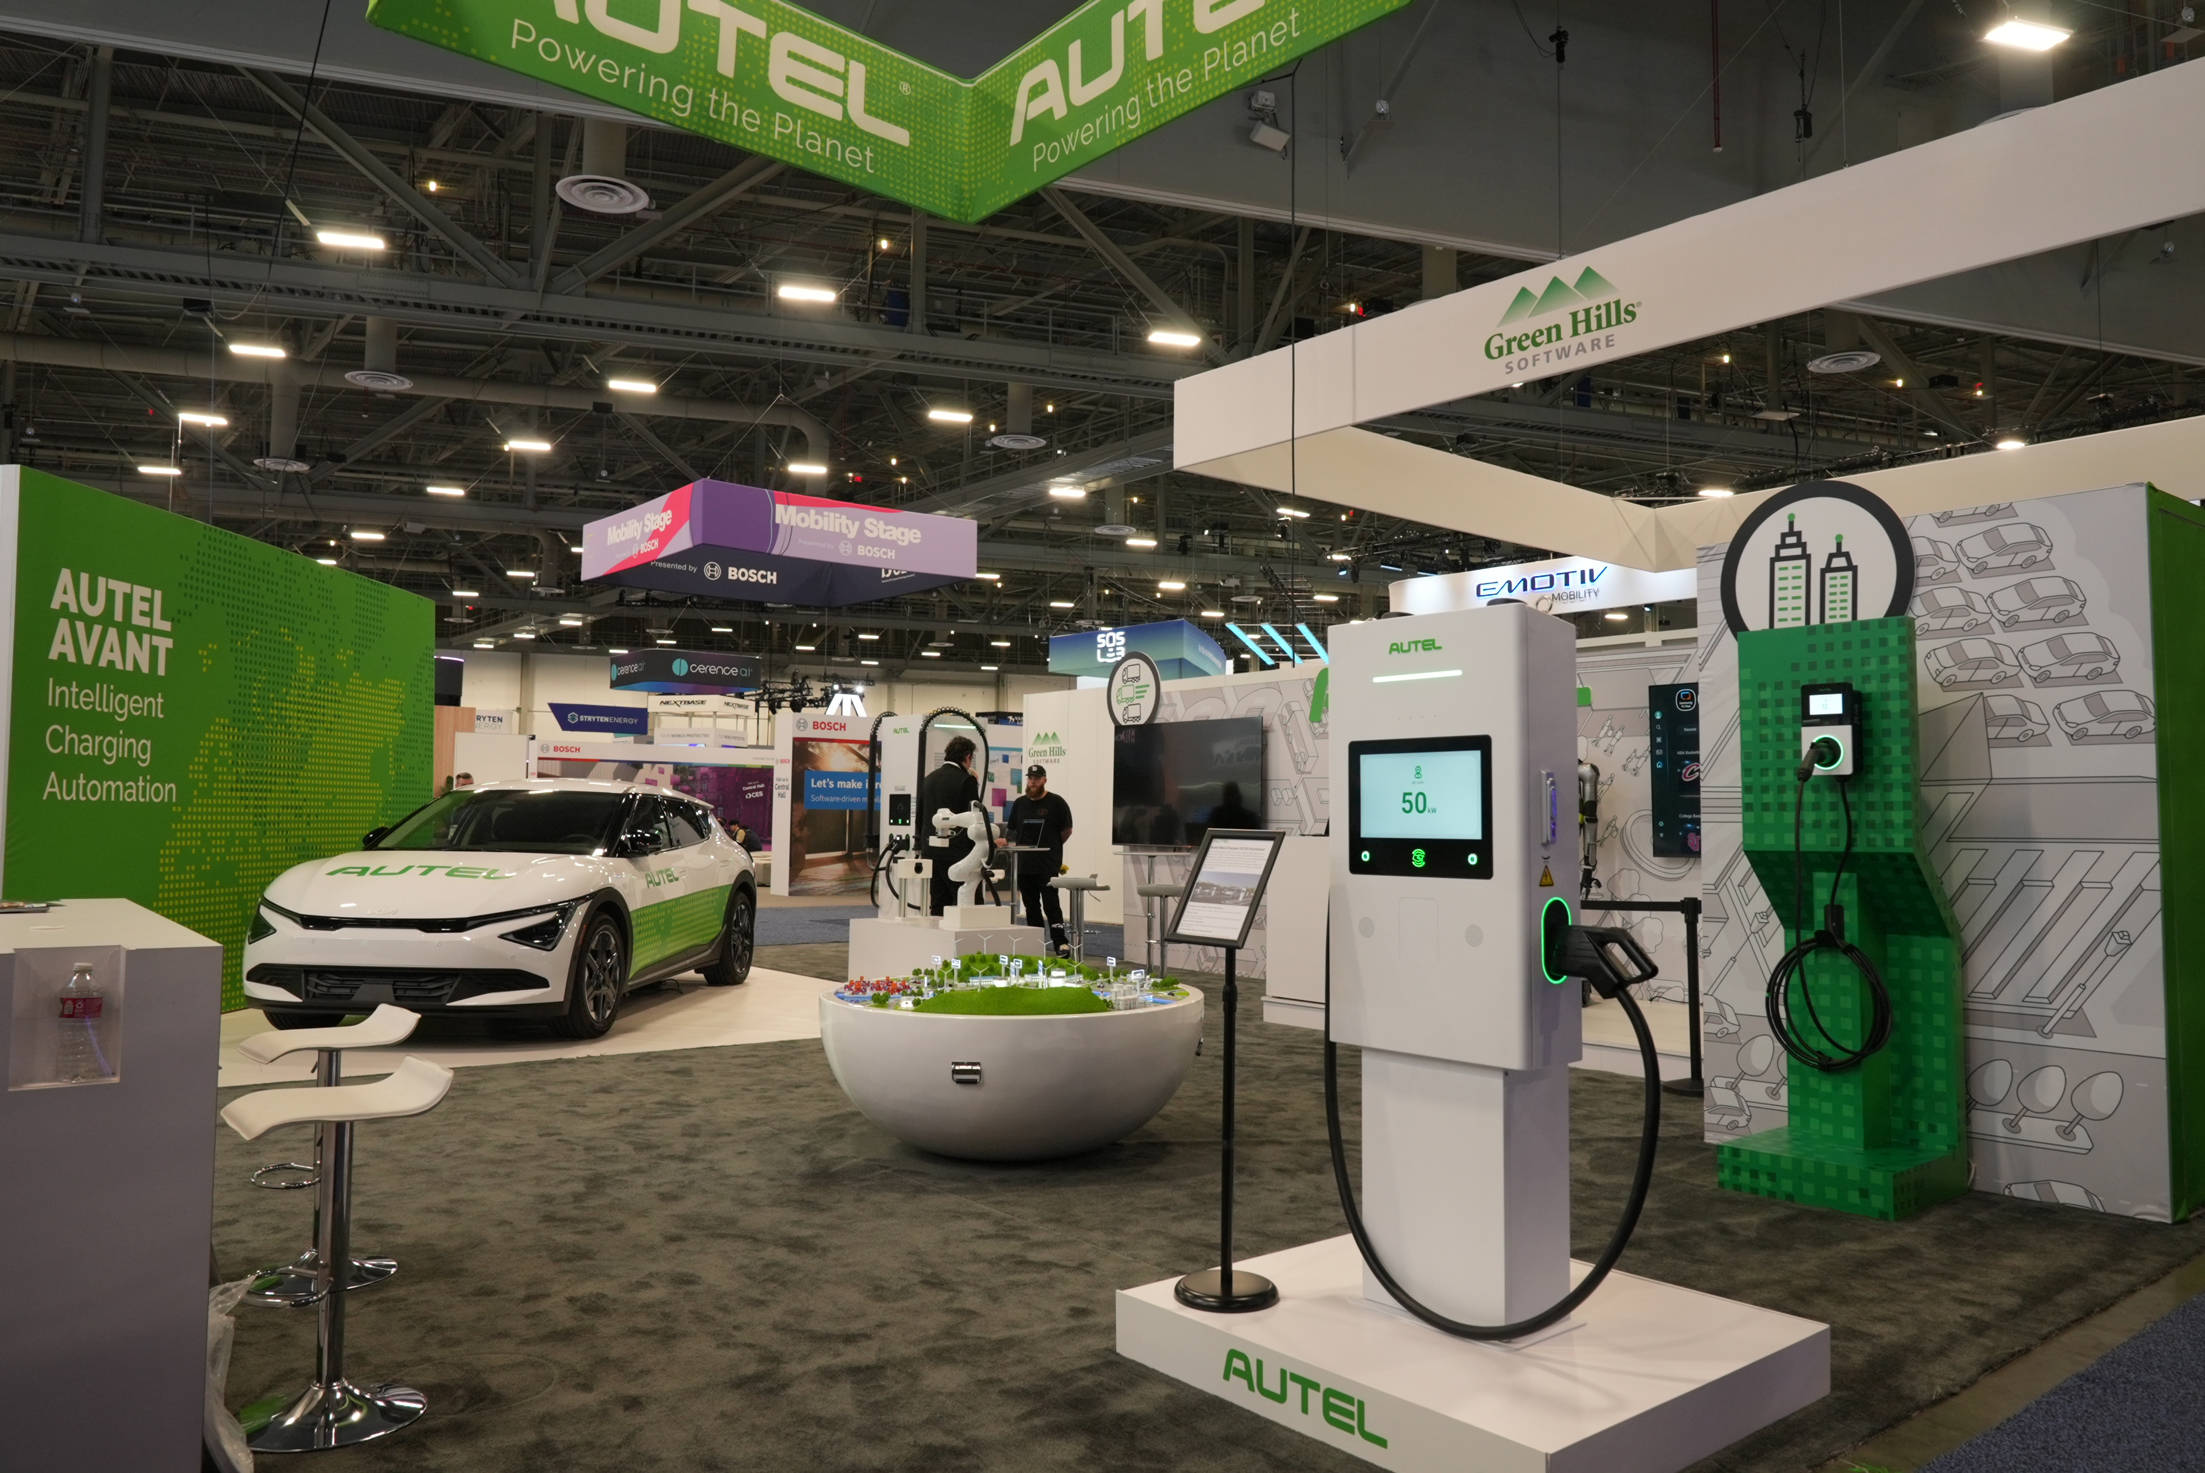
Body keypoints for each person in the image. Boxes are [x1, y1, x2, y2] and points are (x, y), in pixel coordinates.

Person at [1006, 764, 1075, 955]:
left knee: (1051, 905)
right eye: (1030, 778)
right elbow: (1012, 831)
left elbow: (1067, 831)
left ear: (1044, 780)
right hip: (1024, 865)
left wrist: (1051, 848)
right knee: (1031, 906)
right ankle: (1035, 943)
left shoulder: (1056, 802)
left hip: (1047, 864)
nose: (1033, 782)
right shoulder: (1019, 803)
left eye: (1036, 778)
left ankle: (1060, 943)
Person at [918, 734, 982, 915]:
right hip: (959, 855)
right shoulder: (966, 780)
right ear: (968, 756)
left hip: (931, 852)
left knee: (938, 904)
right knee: (969, 904)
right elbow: (974, 818)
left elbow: (920, 817)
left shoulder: (929, 779)